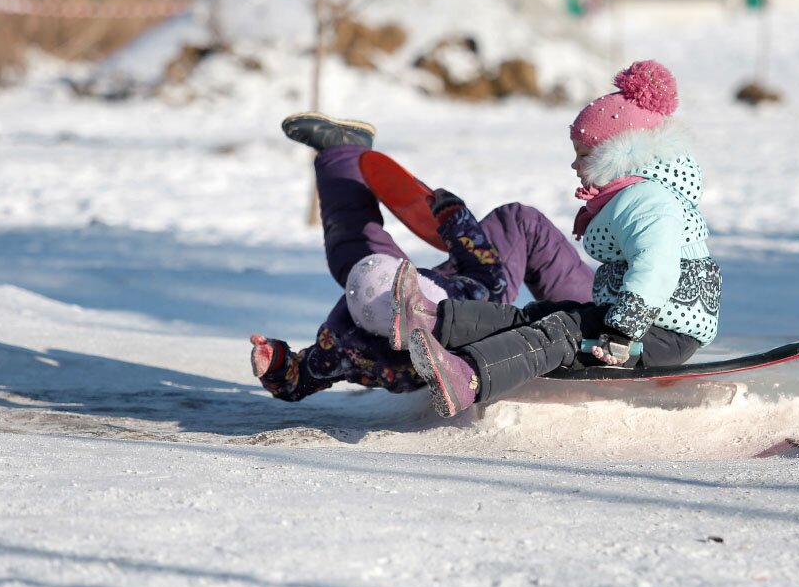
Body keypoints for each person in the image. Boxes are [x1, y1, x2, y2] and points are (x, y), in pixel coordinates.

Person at [395, 60, 722, 417]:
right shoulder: (631, 195)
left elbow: (655, 267)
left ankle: (469, 378)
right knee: (541, 314)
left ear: (618, 155)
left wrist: (623, 331)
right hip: (637, 320)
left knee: (560, 331)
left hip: (660, 334)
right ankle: (433, 320)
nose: (575, 165)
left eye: (583, 155)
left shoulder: (649, 201)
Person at [249, 112, 595, 402]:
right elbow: (487, 271)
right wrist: (456, 222)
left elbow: (301, 377)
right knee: (519, 220)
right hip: (470, 313)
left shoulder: (345, 341)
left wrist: (275, 364)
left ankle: (341, 152)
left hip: (408, 320)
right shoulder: (465, 308)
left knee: (358, 257)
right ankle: (598, 313)